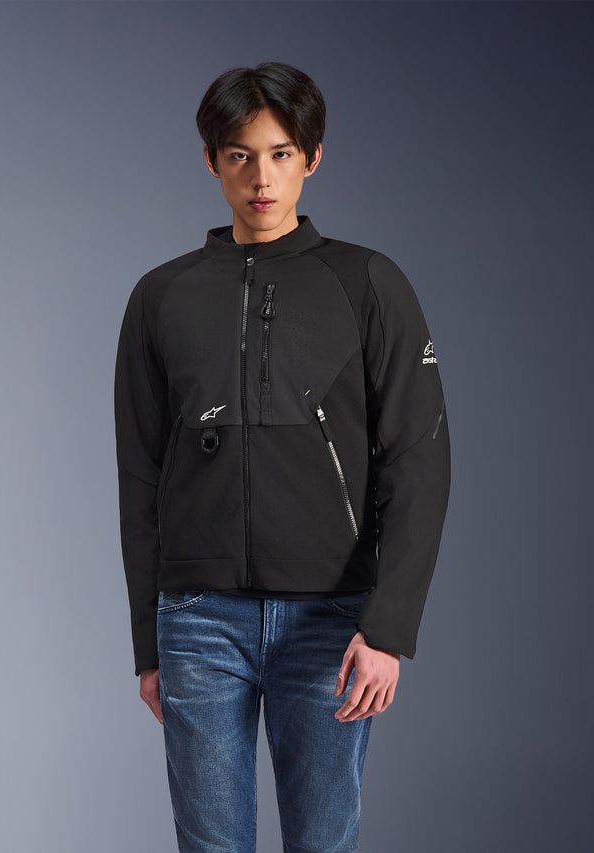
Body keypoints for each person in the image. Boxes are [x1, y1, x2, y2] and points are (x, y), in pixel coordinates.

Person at [114, 62, 450, 853]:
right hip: (198, 622)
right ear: (211, 160)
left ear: (312, 156)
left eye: (281, 154)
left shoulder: (367, 283)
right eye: (240, 155)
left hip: (332, 622)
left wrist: (389, 627)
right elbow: (139, 478)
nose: (261, 178)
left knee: (323, 844)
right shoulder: (161, 296)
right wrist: (148, 642)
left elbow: (420, 459)